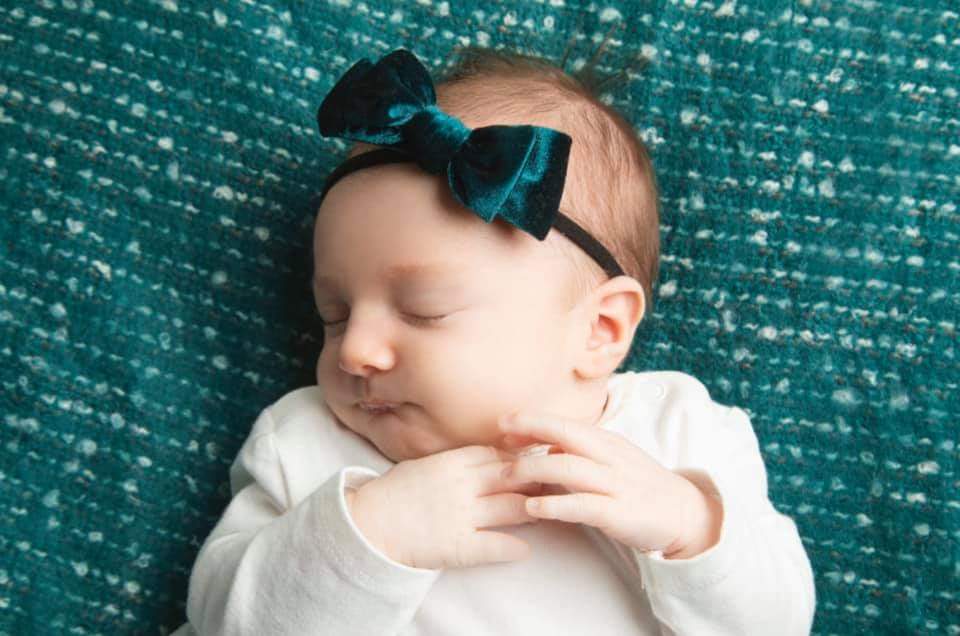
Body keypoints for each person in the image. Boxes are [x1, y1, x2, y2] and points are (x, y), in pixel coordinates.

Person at [172, 46, 816, 635]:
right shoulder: (306, 443)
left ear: (599, 329)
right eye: (333, 314)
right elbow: (222, 621)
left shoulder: (681, 434)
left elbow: (780, 623)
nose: (354, 350)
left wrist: (690, 529)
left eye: (423, 310)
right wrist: (365, 538)